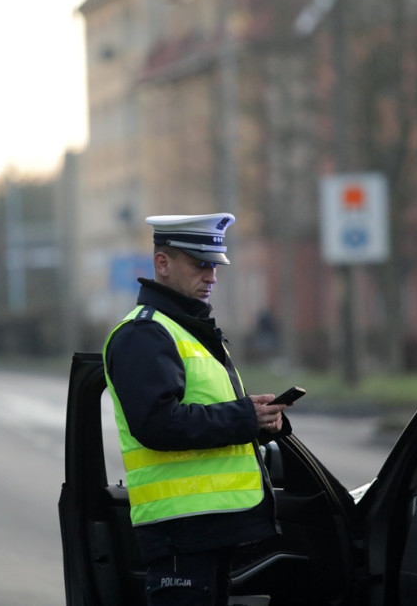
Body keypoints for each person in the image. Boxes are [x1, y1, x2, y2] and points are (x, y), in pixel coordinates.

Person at [103, 212, 292, 606]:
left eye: (214, 266)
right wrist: (243, 417)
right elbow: (157, 424)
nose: (211, 277)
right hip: (180, 534)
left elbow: (202, 413)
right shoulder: (145, 333)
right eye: (199, 265)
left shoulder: (189, 330)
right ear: (162, 264)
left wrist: (259, 420)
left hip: (206, 532)